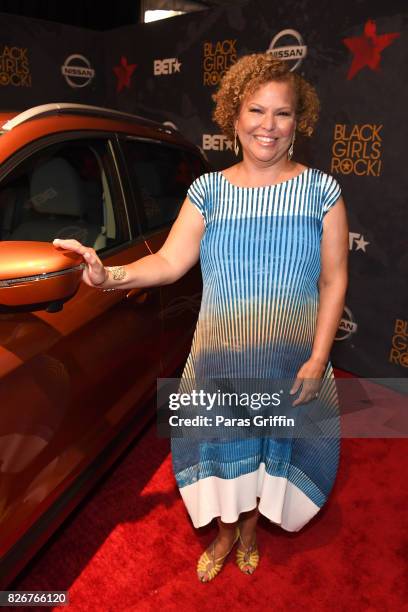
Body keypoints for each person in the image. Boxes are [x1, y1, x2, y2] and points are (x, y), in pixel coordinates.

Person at [53, 53, 348, 583]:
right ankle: (226, 531)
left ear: (298, 122)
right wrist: (108, 276)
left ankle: (252, 527)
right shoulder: (207, 192)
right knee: (222, 449)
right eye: (256, 111)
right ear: (233, 116)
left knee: (268, 451)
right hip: (218, 361)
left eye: (282, 114)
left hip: (290, 362)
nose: (268, 126)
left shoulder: (322, 192)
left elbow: (333, 281)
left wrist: (320, 356)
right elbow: (167, 262)